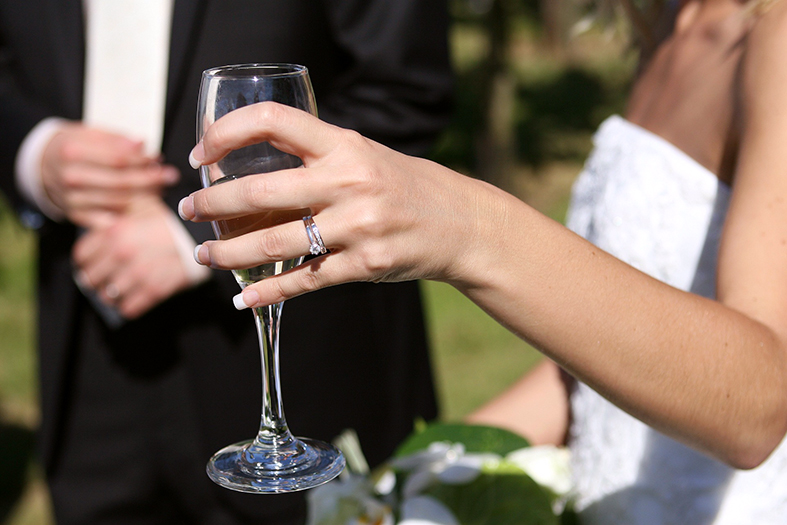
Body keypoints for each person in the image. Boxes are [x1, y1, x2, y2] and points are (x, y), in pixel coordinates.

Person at [179, 0, 787, 522]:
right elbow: (603, 370)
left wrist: (465, 227)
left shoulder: (774, 33)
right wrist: (398, 485)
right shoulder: (668, 25)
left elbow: (761, 403)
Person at [0, 1, 452, 523]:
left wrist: (200, 228)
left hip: (308, 349)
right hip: (88, 345)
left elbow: (404, 90)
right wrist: (31, 151)